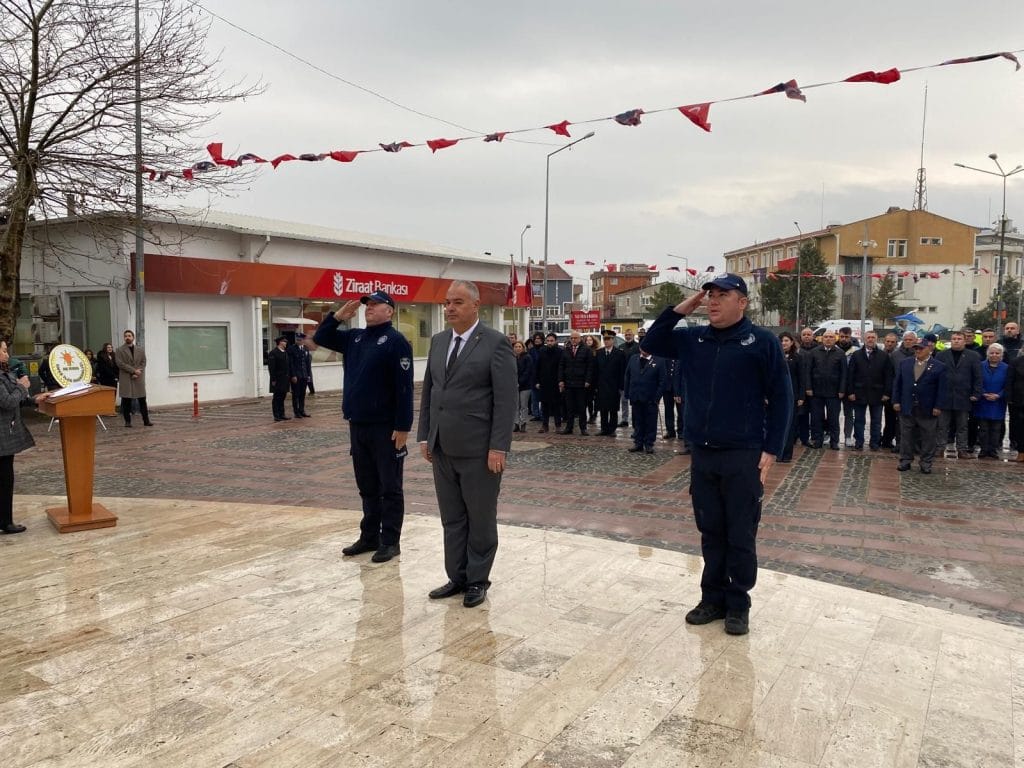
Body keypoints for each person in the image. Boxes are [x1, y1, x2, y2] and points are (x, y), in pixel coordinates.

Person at [642, 273, 792, 636]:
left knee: (740, 530)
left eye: (723, 295)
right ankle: (711, 598)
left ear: (742, 302)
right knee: (710, 529)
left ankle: (738, 603)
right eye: (709, 295)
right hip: (703, 452)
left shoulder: (762, 342)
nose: (713, 301)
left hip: (744, 453)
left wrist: (772, 450)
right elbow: (652, 340)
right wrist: (684, 307)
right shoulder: (694, 338)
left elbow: (783, 397)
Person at [418, 280, 517, 608]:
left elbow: (506, 401)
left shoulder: (495, 343)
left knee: (480, 517)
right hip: (443, 446)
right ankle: (456, 576)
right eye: (447, 302)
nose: (449, 308)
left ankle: (477, 580)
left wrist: (498, 447)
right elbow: (430, 393)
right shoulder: (438, 341)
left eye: (457, 302)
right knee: (452, 517)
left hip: (479, 450)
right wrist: (425, 435)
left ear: (476, 305)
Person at [314, 290, 414, 563]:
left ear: (390, 311)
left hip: (386, 427)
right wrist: (336, 317)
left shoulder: (396, 342)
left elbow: (404, 387)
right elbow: (321, 338)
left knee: (390, 487)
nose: (369, 308)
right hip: (358, 424)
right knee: (367, 485)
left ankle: (390, 541)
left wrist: (403, 425)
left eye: (375, 304)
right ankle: (369, 536)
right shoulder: (355, 337)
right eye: (367, 305)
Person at [0, 340, 48, 534]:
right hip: (2, 434)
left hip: (6, 434)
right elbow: (7, 402)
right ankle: (6, 522)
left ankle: (4, 519)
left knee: (5, 478)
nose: (6, 354)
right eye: (3, 350)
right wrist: (22, 386)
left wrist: (33, 399)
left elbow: (15, 400)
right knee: (4, 479)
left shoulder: (5, 372)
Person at [892, 337, 948, 474]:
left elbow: (942, 389)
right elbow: (898, 384)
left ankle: (926, 462)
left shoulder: (939, 366)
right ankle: (905, 460)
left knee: (928, 437)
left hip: (928, 408)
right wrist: (896, 401)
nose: (918, 351)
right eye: (916, 348)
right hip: (907, 406)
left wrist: (938, 406)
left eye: (921, 348)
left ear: (929, 349)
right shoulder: (905, 363)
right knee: (906, 435)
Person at [935, 330, 982, 459]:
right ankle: (939, 448)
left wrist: (976, 393)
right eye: (954, 339)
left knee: (962, 426)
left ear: (964, 340)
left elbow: (978, 376)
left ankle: (962, 449)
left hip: (964, 396)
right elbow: (935, 376)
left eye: (959, 339)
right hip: (944, 396)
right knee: (942, 426)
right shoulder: (941, 355)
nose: (956, 341)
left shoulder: (973, 356)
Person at [846, 330, 894, 451]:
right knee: (859, 420)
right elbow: (850, 374)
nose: (871, 339)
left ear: (876, 339)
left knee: (876, 421)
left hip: (877, 393)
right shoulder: (856, 355)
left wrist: (887, 393)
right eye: (868, 337)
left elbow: (888, 376)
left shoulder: (883, 356)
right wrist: (850, 392)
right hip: (859, 392)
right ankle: (859, 441)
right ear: (864, 339)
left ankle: (875, 442)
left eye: (873, 337)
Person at [804, 330, 846, 449]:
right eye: (826, 337)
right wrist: (808, 387)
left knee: (833, 418)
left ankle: (834, 441)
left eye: (831, 337)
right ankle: (817, 440)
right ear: (822, 339)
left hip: (834, 392)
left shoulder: (840, 353)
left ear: (835, 339)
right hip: (816, 391)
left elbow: (844, 374)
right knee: (817, 417)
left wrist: (842, 389)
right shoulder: (814, 352)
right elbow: (808, 371)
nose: (828, 339)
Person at [623, 349, 665, 454]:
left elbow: (662, 381)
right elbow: (627, 376)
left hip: (651, 398)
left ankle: (649, 443)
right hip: (636, 396)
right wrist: (627, 393)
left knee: (650, 422)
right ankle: (638, 443)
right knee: (638, 421)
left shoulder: (659, 361)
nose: (643, 350)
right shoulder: (633, 358)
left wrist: (657, 397)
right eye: (642, 348)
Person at [975, 343, 1008, 459]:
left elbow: (1008, 385)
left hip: (998, 402)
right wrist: (983, 393)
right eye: (992, 352)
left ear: (1001, 355)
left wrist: (999, 395)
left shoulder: (1006, 368)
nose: (994, 355)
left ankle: (993, 450)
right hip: (983, 401)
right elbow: (976, 381)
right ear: (987, 354)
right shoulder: (980, 366)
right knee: (983, 428)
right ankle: (983, 449)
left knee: (996, 428)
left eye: (997, 353)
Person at [557, 330, 594, 436]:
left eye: (575, 338)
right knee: (569, 407)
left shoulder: (586, 350)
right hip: (568, 383)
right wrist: (561, 380)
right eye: (571, 338)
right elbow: (561, 366)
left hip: (581, 383)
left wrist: (588, 380)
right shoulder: (566, 350)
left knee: (581, 407)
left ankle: (583, 428)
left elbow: (590, 367)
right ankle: (569, 427)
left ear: (580, 339)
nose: (573, 340)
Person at [115, 329, 152, 427]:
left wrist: (138, 371)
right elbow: (120, 364)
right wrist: (133, 371)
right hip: (126, 377)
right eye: (126, 336)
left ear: (133, 337)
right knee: (126, 401)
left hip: (138, 378)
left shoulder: (140, 350)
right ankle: (127, 421)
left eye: (129, 336)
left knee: (142, 400)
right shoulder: (119, 350)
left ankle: (146, 420)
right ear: (124, 338)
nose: (127, 337)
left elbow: (143, 362)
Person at [593, 331, 626, 436]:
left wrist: (621, 386)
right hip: (601, 385)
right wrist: (595, 385)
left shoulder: (619, 353)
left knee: (613, 409)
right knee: (602, 409)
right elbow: (595, 371)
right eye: (605, 339)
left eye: (608, 339)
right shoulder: (599, 353)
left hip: (613, 386)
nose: (606, 341)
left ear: (613, 340)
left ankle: (612, 429)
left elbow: (622, 371)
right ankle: (603, 428)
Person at [778, 332, 802, 462]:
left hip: (792, 395)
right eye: (781, 340)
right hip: (777, 395)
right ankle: (778, 452)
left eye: (786, 340)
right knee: (778, 424)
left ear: (792, 342)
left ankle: (787, 454)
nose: (783, 343)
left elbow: (801, 377)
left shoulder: (797, 358)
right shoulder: (775, 356)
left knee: (790, 424)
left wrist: (801, 397)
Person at [534, 333, 562, 434]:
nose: (549, 343)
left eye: (552, 341)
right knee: (544, 405)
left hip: (556, 382)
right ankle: (544, 425)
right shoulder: (542, 351)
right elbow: (537, 367)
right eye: (548, 341)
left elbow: (561, 367)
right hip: (544, 382)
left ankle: (558, 425)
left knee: (556, 405)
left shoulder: (560, 352)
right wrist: (537, 381)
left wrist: (561, 381)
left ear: (555, 341)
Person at [618, 329, 640, 426]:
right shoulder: (621, 347)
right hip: (623, 377)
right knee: (624, 400)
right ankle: (625, 419)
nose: (628, 336)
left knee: (635, 401)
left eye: (629, 334)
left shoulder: (638, 347)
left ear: (633, 335)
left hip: (635, 378)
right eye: (626, 335)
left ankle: (636, 421)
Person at [267, 335, 291, 422]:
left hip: (285, 379)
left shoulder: (285, 352)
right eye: (284, 341)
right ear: (280, 342)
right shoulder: (273, 353)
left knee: (282, 397)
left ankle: (282, 414)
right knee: (276, 397)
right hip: (277, 379)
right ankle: (276, 415)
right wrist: (273, 379)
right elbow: (271, 368)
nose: (286, 343)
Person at [287, 332, 311, 418]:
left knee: (302, 394)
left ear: (303, 340)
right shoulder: (291, 349)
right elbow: (291, 363)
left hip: (304, 375)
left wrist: (308, 375)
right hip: (296, 376)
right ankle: (296, 412)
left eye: (300, 340)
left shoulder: (306, 349)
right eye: (297, 339)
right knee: (296, 394)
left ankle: (302, 410)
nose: (298, 341)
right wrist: (293, 375)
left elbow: (308, 363)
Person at [512, 340, 535, 433]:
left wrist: (520, 382)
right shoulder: (512, 358)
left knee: (523, 405)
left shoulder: (527, 357)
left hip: (525, 385)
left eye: (519, 347)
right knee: (515, 406)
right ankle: (516, 423)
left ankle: (523, 423)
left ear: (523, 348)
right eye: (516, 347)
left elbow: (528, 371)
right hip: (514, 385)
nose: (517, 348)